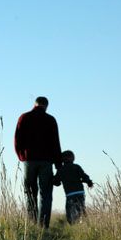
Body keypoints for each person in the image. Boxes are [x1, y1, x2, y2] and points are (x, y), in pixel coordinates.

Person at [14, 96, 62, 228]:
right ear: (46, 106)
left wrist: (22, 156)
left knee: (30, 192)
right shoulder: (50, 120)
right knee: (45, 193)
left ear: (34, 104)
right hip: (46, 161)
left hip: (29, 160)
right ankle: (43, 226)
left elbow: (17, 140)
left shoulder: (24, 117)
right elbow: (56, 144)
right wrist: (59, 165)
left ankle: (32, 223)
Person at [53, 150, 93, 224]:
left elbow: (56, 182)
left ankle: (72, 223)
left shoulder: (61, 170)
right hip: (80, 192)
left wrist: (54, 180)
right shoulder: (76, 167)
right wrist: (89, 182)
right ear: (73, 158)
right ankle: (84, 223)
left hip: (70, 194)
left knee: (69, 210)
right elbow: (84, 176)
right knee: (81, 208)